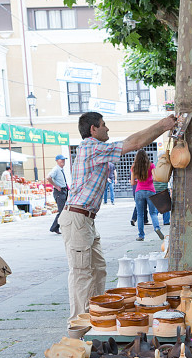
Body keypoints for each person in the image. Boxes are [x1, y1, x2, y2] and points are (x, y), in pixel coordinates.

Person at [62, 111, 176, 319]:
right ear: (93, 129)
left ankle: (98, 317)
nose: (107, 128)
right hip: (77, 218)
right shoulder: (91, 147)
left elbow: (133, 142)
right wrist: (162, 125)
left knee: (98, 270)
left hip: (86, 219)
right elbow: (132, 143)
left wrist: (163, 127)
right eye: (104, 125)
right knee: (82, 274)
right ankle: (78, 326)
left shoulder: (97, 148)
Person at [130, 150, 162, 241]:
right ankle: (157, 228)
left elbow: (132, 182)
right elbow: (155, 178)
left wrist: (139, 181)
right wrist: (148, 180)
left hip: (139, 191)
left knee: (140, 214)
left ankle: (141, 235)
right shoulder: (151, 165)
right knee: (153, 212)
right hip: (150, 191)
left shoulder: (134, 167)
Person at [47, 154, 69, 234]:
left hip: (64, 191)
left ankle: (55, 227)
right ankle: (55, 227)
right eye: (61, 160)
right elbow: (48, 177)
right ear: (57, 161)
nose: (63, 161)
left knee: (64, 210)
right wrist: (56, 186)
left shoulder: (60, 169)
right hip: (59, 192)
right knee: (62, 211)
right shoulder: (56, 169)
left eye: (64, 160)